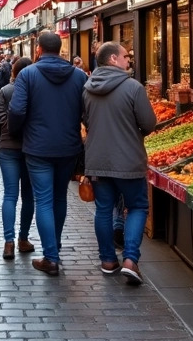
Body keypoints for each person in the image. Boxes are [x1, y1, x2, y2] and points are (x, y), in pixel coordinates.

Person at [9, 30, 88, 275]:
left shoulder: (28, 74)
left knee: (43, 199)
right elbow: (87, 111)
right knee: (59, 197)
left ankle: (50, 256)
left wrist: (17, 131)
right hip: (68, 146)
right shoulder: (78, 76)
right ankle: (55, 244)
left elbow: (18, 110)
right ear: (61, 49)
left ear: (38, 50)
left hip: (38, 146)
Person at [83, 42, 157, 284]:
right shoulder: (133, 87)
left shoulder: (87, 88)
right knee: (136, 207)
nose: (129, 60)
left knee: (103, 209)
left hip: (97, 159)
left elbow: (86, 121)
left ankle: (107, 260)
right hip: (129, 160)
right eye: (126, 56)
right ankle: (130, 260)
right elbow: (148, 123)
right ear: (114, 59)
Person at [0, 56, 36, 260]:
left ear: (13, 72)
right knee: (28, 196)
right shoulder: (36, 91)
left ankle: (8, 242)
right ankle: (23, 239)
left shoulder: (5, 91)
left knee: (10, 195)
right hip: (31, 148)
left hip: (8, 147)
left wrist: (11, 127)